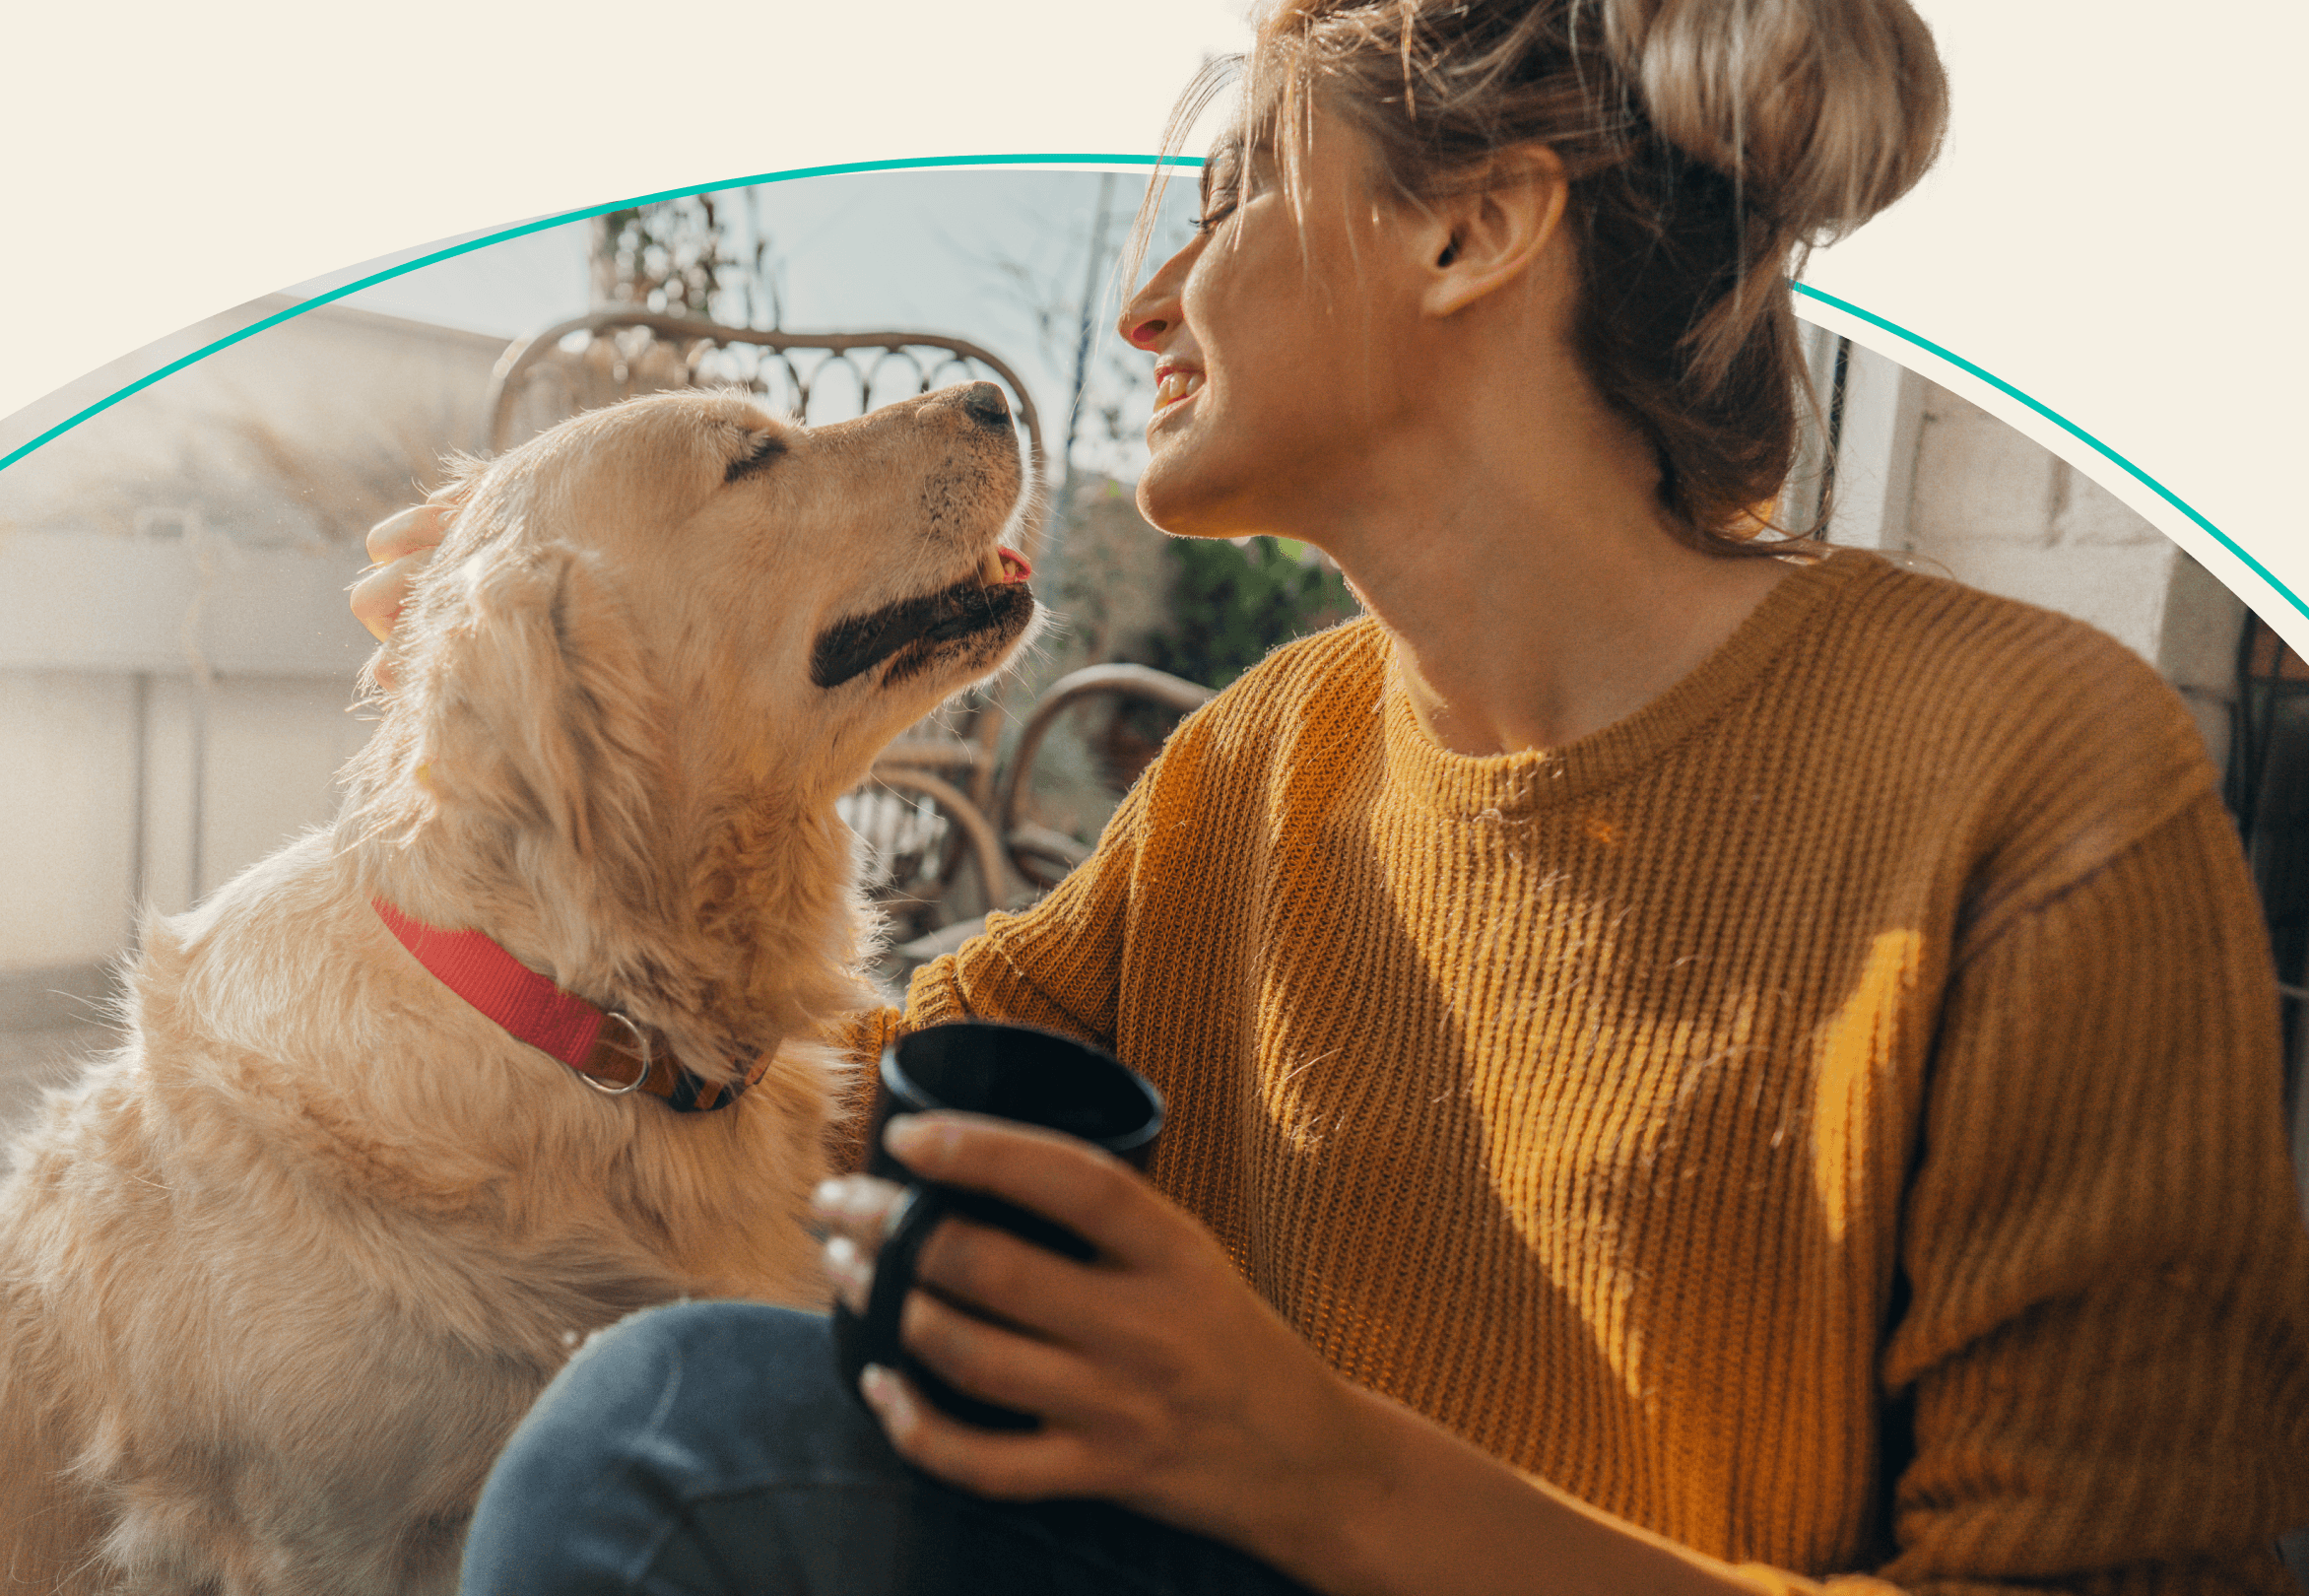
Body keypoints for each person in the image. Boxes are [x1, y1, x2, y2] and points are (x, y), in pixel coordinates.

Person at [350, 1, 2308, 1589]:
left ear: (1473, 232)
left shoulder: (2036, 779)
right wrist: (540, 717)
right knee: (659, 1411)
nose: (1148, 304)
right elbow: (822, 1107)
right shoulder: (1269, 754)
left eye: (1225, 200)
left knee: (667, 1429)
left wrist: (1320, 1473)